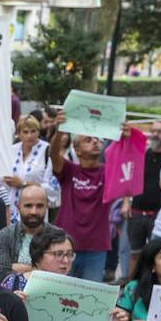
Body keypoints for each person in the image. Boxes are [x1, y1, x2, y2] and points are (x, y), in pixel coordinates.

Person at [50, 114, 130, 282]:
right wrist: (58, 132)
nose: (95, 141)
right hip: (65, 245)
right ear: (77, 150)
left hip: (96, 248)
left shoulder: (108, 172)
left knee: (88, 300)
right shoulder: (70, 170)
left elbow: (127, 166)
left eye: (97, 139)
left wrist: (125, 139)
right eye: (88, 140)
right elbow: (54, 155)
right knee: (61, 292)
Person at [123, 118, 161, 280]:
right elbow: (129, 179)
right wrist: (126, 202)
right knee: (134, 253)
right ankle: (130, 289)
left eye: (160, 132)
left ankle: (151, 287)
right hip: (137, 212)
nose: (155, 135)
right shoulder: (141, 154)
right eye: (153, 131)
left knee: (158, 255)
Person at [0, 184, 51, 285]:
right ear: (18, 207)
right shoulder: (5, 236)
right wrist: (42, 270)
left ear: (47, 206)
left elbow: (61, 276)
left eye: (39, 206)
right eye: (28, 206)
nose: (34, 211)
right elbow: (2, 277)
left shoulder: (58, 236)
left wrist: (16, 267)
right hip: (13, 297)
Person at [5, 115, 56, 210]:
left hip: (35, 207)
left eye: (33, 131)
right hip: (12, 207)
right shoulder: (12, 150)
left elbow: (52, 188)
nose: (30, 135)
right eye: (25, 132)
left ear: (38, 132)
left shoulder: (47, 151)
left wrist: (24, 184)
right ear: (19, 134)